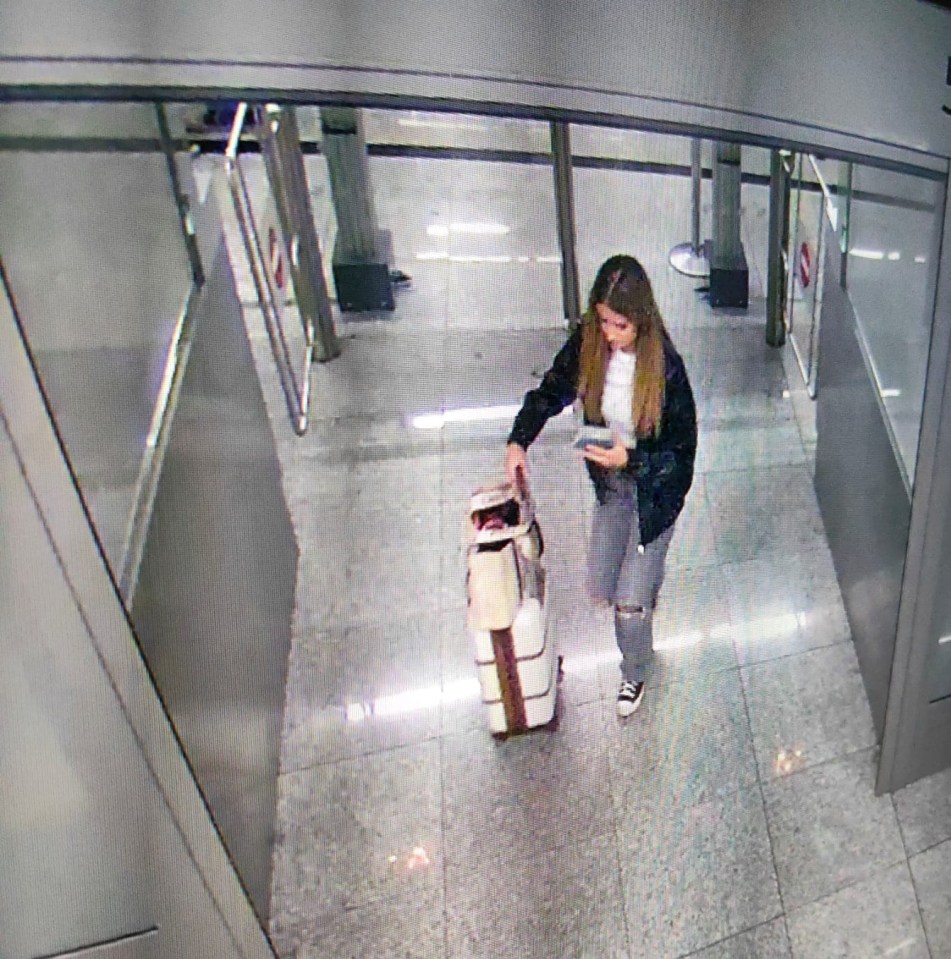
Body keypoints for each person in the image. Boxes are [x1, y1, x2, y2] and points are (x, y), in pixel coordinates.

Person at [504, 254, 697, 717]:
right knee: (598, 585)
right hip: (612, 489)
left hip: (655, 498)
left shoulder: (667, 371)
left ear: (642, 322)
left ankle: (635, 671)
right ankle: (646, 588)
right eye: (603, 321)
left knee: (627, 608)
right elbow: (552, 389)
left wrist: (631, 457)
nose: (609, 334)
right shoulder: (590, 343)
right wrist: (519, 439)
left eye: (619, 325)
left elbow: (680, 458)